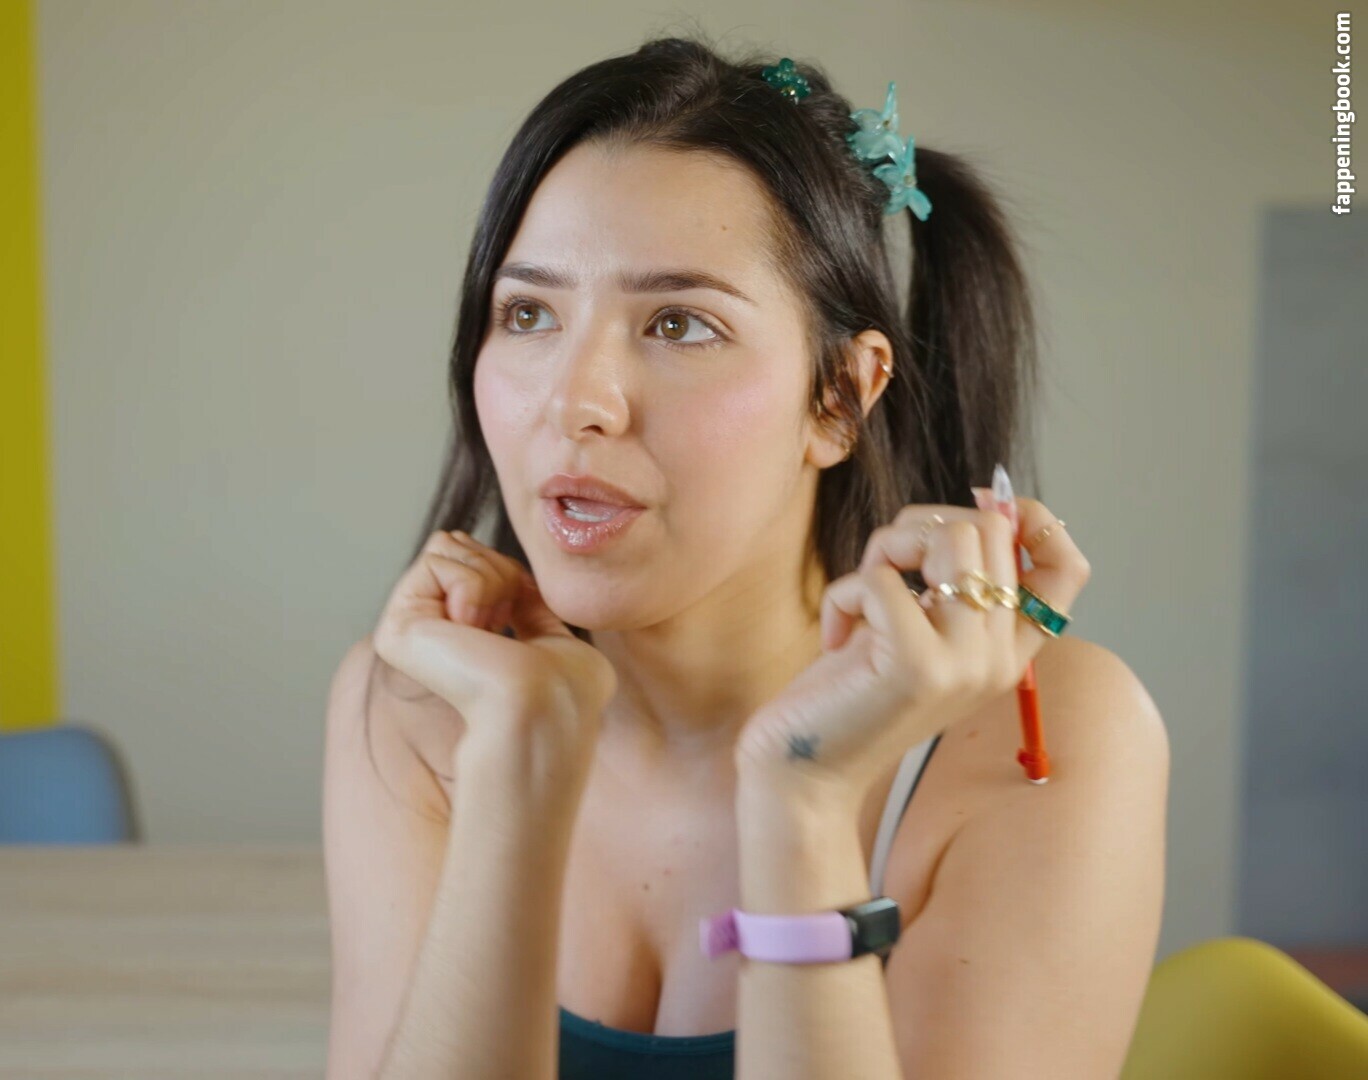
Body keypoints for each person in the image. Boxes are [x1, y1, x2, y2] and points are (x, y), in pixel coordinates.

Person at [322, 32, 1169, 1080]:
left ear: (840, 398)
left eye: (679, 324)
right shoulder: (425, 704)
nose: (573, 401)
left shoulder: (1042, 739)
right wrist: (517, 763)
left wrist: (804, 801)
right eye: (529, 312)